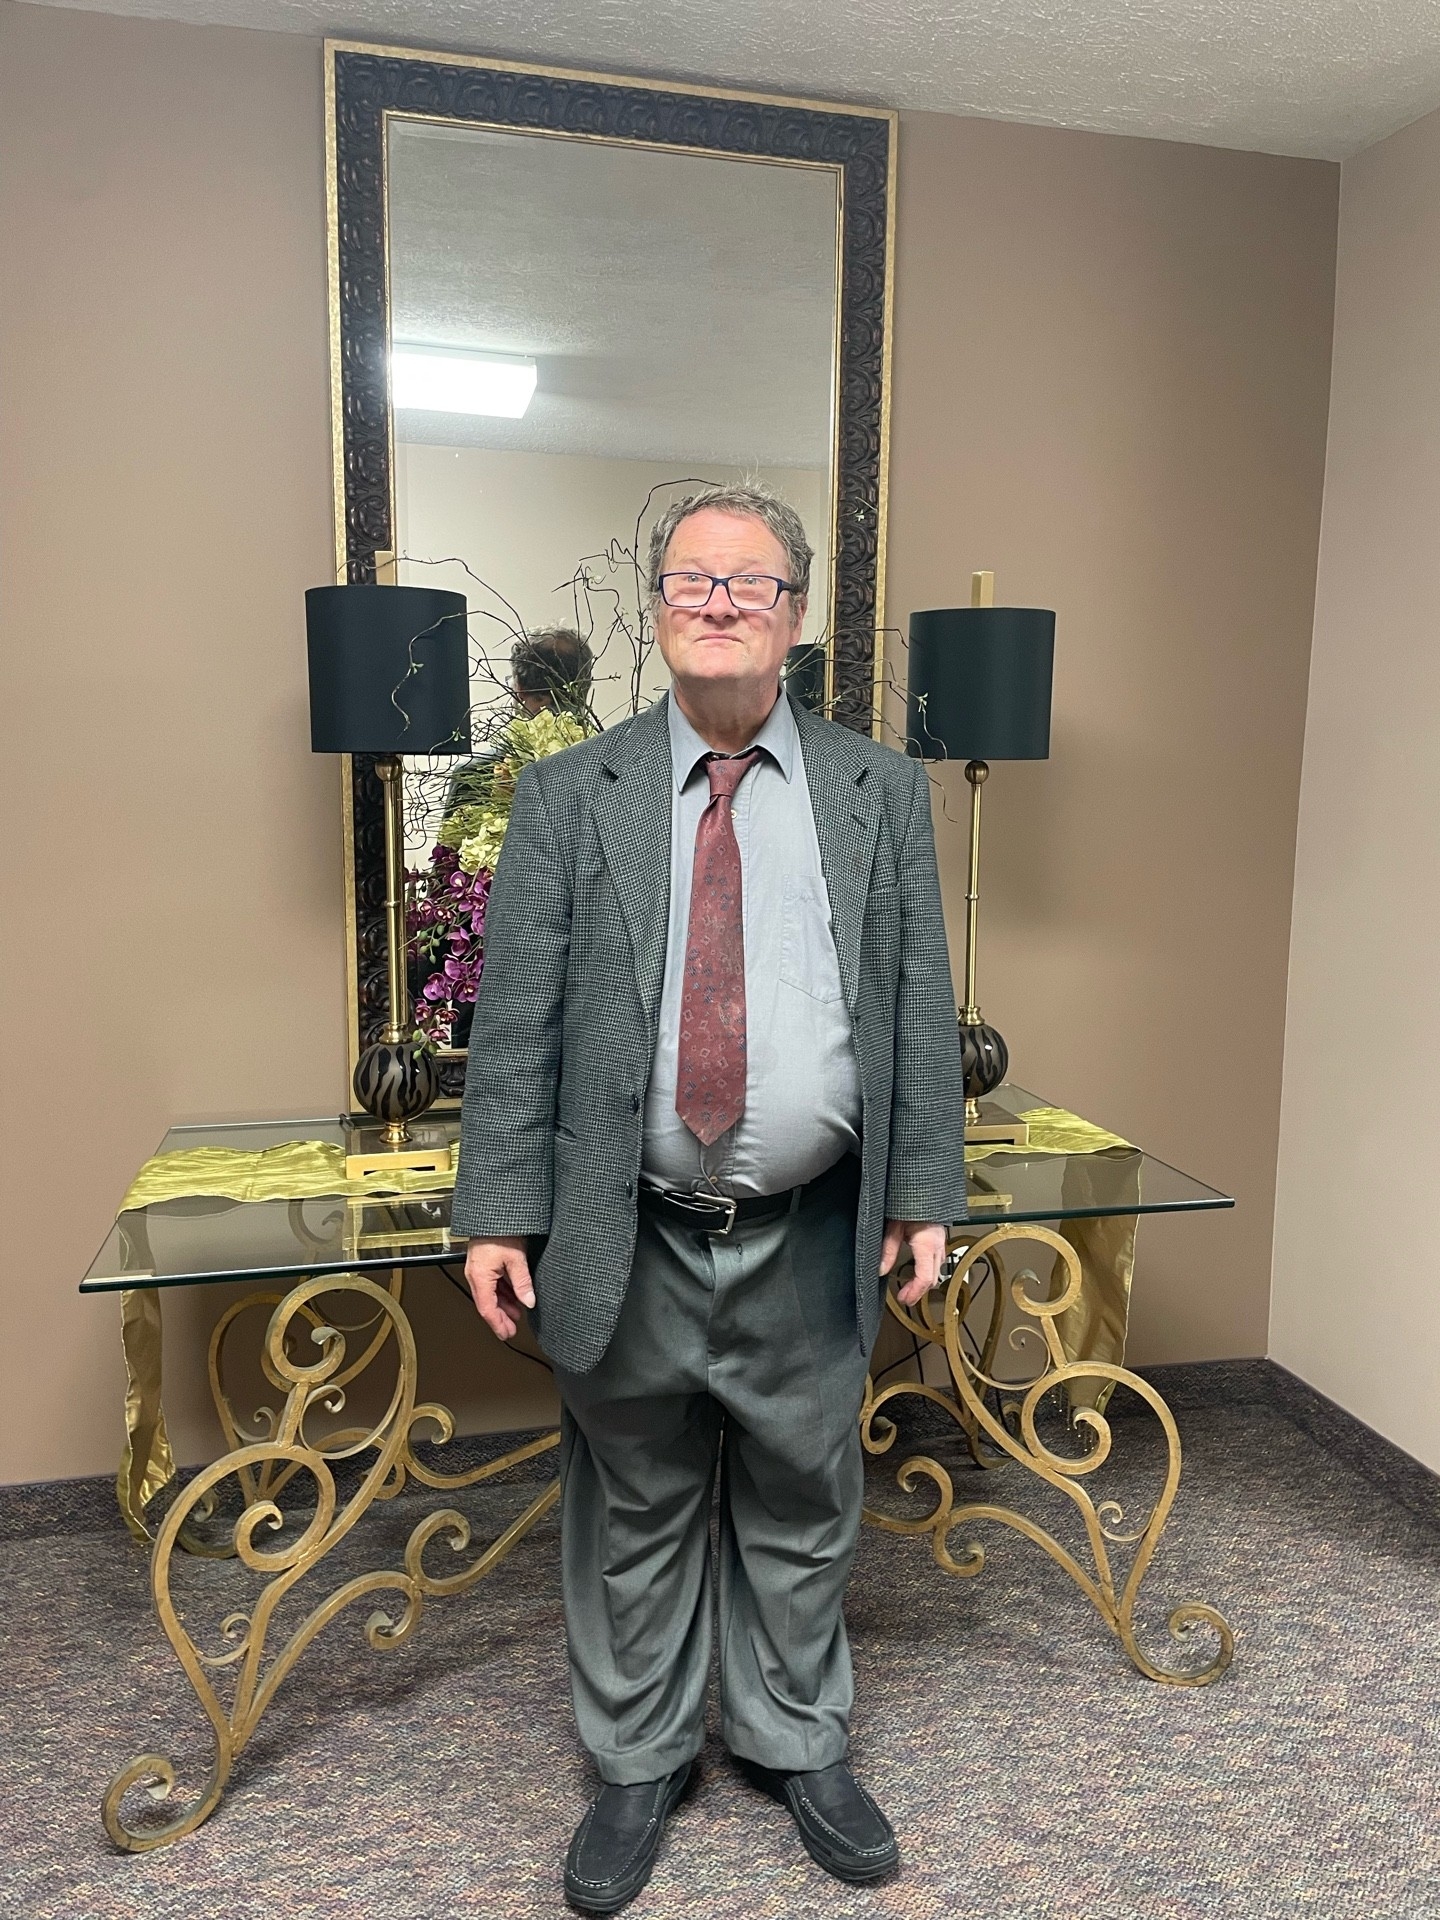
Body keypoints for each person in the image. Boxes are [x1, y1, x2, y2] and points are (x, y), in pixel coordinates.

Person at [451, 483, 966, 1911]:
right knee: (636, 1501)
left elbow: (918, 1003)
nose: (720, 603)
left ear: (794, 616)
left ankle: (799, 1740)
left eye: (749, 583)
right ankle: (639, 1761)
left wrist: (925, 1188)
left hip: (812, 1231)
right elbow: (519, 1024)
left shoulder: (878, 789)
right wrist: (495, 1212)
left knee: (806, 1494)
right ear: (659, 609)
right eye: (692, 580)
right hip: (631, 1229)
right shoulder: (573, 794)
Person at [443, 625, 595, 816]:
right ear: (585, 687)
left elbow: (452, 835)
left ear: (519, 689)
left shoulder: (474, 775)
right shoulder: (615, 765)